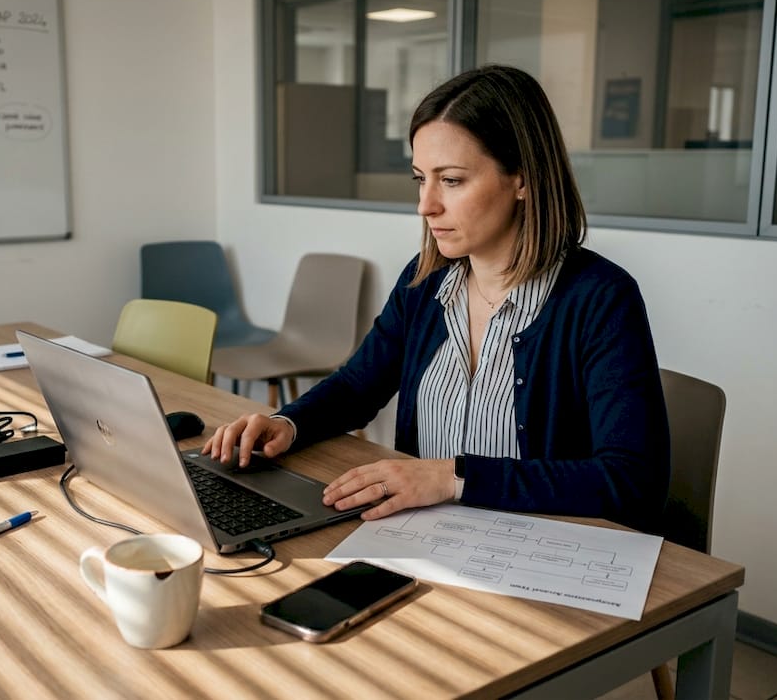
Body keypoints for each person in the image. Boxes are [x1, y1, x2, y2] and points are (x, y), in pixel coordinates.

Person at [203, 65, 669, 529]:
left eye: (451, 180)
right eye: (420, 179)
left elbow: (631, 479)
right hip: (423, 538)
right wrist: (288, 423)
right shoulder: (426, 282)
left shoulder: (600, 298)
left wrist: (452, 477)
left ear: (523, 179)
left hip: (537, 553)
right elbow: (356, 387)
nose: (426, 205)